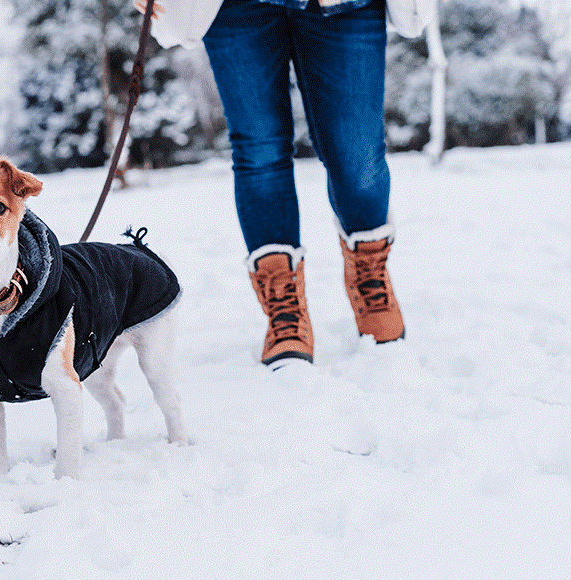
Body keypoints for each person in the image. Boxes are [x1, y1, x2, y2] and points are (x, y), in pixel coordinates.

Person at [136, 0, 405, 367]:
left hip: (347, 5)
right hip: (237, 7)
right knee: (259, 152)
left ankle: (370, 275)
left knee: (357, 153)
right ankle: (284, 307)